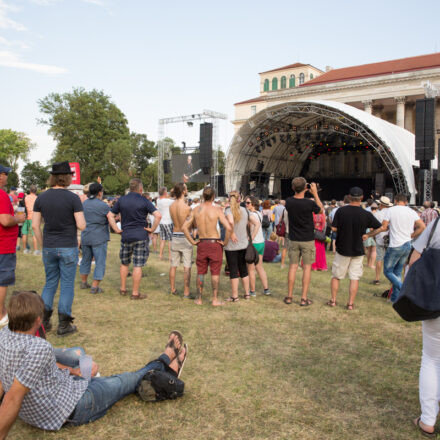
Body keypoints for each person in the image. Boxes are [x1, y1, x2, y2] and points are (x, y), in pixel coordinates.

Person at [0, 292, 188, 437]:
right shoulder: (38, 347)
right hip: (70, 408)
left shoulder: (3, 337)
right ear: (38, 320)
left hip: (60, 394)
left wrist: (74, 372)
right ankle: (166, 359)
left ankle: (164, 375)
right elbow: (12, 398)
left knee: (81, 356)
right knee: (124, 380)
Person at [32, 162, 86, 336]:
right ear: (67, 177)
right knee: (67, 285)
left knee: (50, 283)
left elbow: (34, 226)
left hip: (49, 246)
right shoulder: (73, 198)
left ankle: (44, 322)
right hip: (67, 246)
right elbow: (81, 225)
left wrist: (42, 244)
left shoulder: (41, 197)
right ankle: (63, 325)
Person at [409, 220, 440, 437]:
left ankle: (428, 419)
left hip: (435, 300)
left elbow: (415, 260)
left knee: (431, 358)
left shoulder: (437, 224)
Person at [328, 187, 382, 310]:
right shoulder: (366, 214)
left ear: (349, 196)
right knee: (354, 277)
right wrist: (368, 235)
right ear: (362, 198)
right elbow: (380, 227)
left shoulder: (341, 211)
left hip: (342, 248)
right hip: (358, 249)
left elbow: (334, 228)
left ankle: (333, 301)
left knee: (336, 276)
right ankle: (350, 303)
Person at [111, 178, 161, 300]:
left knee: (124, 263)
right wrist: (152, 229)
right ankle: (135, 293)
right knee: (137, 265)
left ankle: (123, 289)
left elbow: (109, 215)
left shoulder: (121, 200)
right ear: (140, 189)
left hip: (126, 235)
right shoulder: (144, 200)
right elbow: (158, 215)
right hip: (140, 235)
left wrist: (116, 229)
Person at [182, 186, 231, 306]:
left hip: (202, 243)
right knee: (215, 273)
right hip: (214, 243)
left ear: (203, 196)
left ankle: (199, 299)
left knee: (201, 272)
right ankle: (214, 299)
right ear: (213, 196)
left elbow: (184, 227)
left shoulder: (196, 210)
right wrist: (224, 242)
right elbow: (228, 227)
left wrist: (193, 241)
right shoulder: (217, 210)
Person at [284, 178, 323, 306]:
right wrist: (315, 193)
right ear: (306, 188)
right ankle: (303, 298)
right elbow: (321, 210)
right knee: (307, 268)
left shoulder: (289, 202)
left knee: (293, 267)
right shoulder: (309, 203)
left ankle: (289, 296)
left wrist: (302, 188)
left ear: (293, 188)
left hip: (294, 238)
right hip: (307, 239)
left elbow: (295, 195)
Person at [381, 193, 425, 303]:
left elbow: (384, 226)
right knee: (397, 272)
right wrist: (412, 236)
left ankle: (404, 290)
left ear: (395, 201)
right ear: (406, 202)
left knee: (387, 271)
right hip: (407, 244)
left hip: (395, 244)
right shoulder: (412, 212)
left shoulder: (391, 210)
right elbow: (422, 227)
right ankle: (395, 298)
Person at [79, 183, 121, 294]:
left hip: (85, 236)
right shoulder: (103, 206)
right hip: (99, 237)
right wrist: (117, 229)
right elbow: (111, 218)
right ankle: (95, 287)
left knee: (85, 260)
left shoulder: (84, 204)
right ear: (99, 192)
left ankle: (84, 282)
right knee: (100, 262)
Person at [0, 165, 26, 330]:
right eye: (6, 174)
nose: (7, 177)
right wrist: (17, 218)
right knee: (2, 280)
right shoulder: (2, 195)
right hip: (3, 244)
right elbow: (4, 220)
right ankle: (1, 315)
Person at [223, 191, 258, 302]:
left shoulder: (228, 210)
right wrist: (251, 236)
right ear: (240, 199)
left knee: (233, 271)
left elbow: (231, 222)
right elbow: (257, 223)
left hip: (231, 246)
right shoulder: (245, 211)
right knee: (244, 270)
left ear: (229, 199)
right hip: (243, 245)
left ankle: (235, 296)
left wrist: (232, 232)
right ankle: (247, 294)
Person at [169, 183, 194, 298]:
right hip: (185, 236)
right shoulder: (187, 208)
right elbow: (192, 224)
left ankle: (173, 289)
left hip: (174, 235)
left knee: (173, 265)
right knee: (187, 266)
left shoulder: (171, 206)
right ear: (183, 191)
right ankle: (186, 292)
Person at [245, 196, 270, 296]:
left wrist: (250, 238)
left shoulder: (251, 215)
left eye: (248, 203)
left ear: (253, 204)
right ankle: (266, 289)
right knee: (259, 267)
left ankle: (252, 291)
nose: (246, 204)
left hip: (254, 243)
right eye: (246, 203)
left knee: (251, 269)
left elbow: (255, 226)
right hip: (261, 243)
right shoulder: (259, 213)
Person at [372, 196, 392, 285]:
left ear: (380, 204)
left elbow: (373, 227)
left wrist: (373, 236)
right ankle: (391, 279)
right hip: (390, 238)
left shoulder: (377, 214)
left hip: (380, 237)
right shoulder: (391, 213)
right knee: (391, 260)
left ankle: (377, 278)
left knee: (379, 258)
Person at [156, 187, 174, 261]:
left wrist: (169, 194)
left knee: (162, 239)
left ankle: (160, 255)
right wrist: (172, 193)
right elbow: (174, 199)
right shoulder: (168, 201)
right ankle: (170, 256)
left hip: (161, 222)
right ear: (165, 193)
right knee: (170, 240)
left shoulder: (158, 200)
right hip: (168, 221)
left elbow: (167, 197)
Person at [22, 185, 39, 255]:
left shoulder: (26, 197)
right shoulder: (37, 198)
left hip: (25, 217)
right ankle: (35, 250)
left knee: (24, 233)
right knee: (34, 234)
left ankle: (25, 249)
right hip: (33, 217)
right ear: (36, 191)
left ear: (30, 190)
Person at [363, 203, 378, 268]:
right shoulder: (377, 214)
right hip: (373, 232)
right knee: (374, 249)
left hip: (367, 231)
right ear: (376, 208)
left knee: (369, 249)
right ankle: (371, 264)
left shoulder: (368, 214)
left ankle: (368, 263)